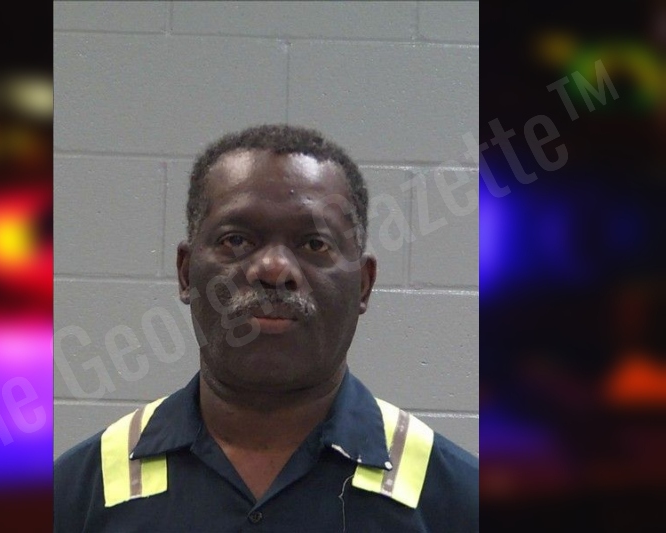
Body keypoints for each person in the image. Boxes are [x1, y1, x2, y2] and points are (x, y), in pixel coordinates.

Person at [54, 124, 478, 532]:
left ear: (363, 285)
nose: (274, 269)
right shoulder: (75, 494)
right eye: (236, 240)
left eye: (315, 244)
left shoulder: (458, 500)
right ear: (186, 274)